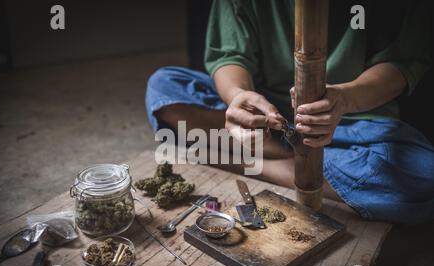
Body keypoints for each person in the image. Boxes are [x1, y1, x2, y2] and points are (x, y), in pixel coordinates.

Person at [145, 0, 434, 224]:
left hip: (357, 118)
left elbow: (402, 62)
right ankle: (291, 153)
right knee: (165, 87)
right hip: (269, 108)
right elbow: (229, 56)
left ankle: (261, 163)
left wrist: (345, 99)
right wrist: (239, 97)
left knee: (422, 178)